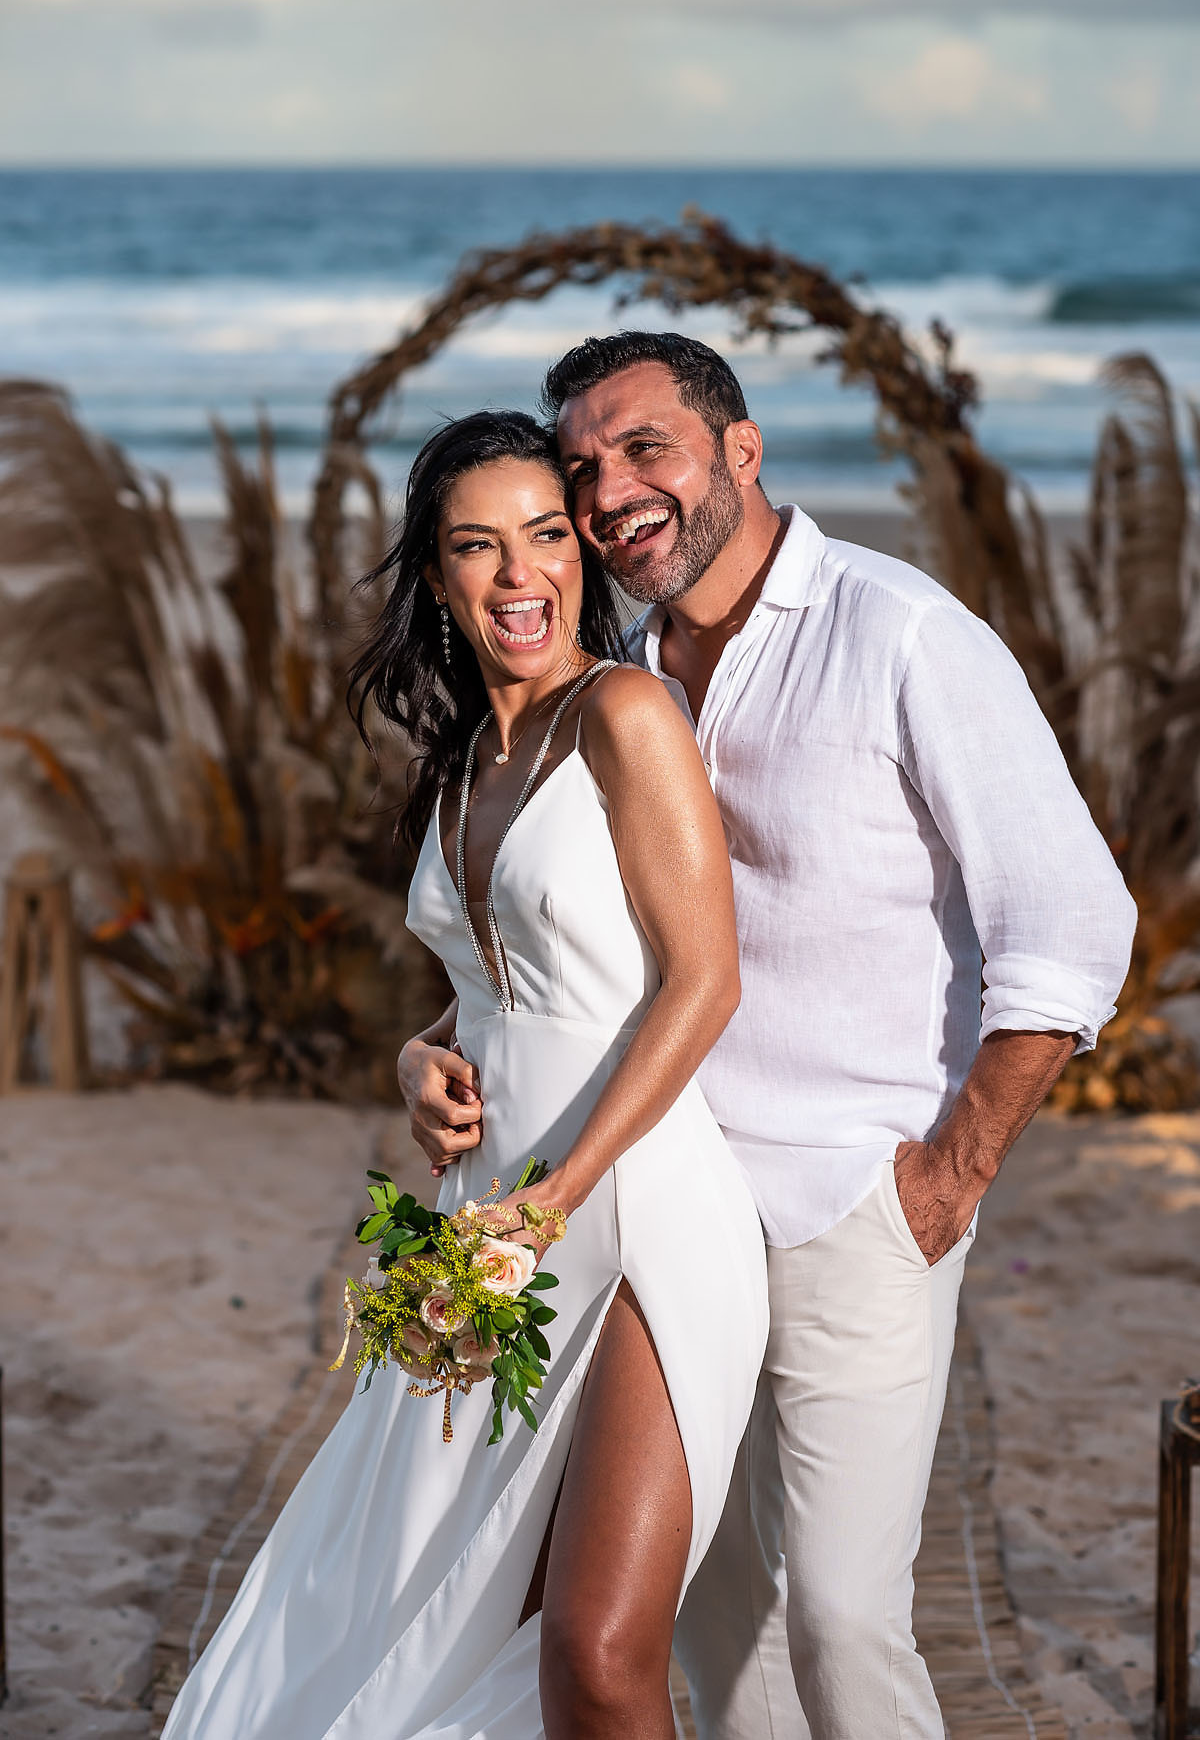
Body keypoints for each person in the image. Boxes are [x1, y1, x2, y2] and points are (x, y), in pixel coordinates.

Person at [400, 336, 1137, 1740]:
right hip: (665, 1202)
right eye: (586, 469)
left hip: (849, 1194)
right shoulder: (613, 667)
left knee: (844, 1611)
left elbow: (1072, 925)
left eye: (648, 449)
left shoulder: (901, 632)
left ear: (742, 451)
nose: (612, 492)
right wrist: (422, 1054)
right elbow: (572, 953)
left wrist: (948, 1171)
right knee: (718, 1615)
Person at [159, 409, 768, 1740]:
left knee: (599, 1652)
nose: (519, 576)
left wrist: (562, 1192)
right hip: (483, 1232)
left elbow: (700, 980)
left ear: (582, 555)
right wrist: (412, 1055)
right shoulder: (460, 765)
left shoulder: (625, 712)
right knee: (455, 1617)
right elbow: (499, 986)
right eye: (478, 546)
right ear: (436, 576)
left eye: (548, 536)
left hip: (636, 1218)